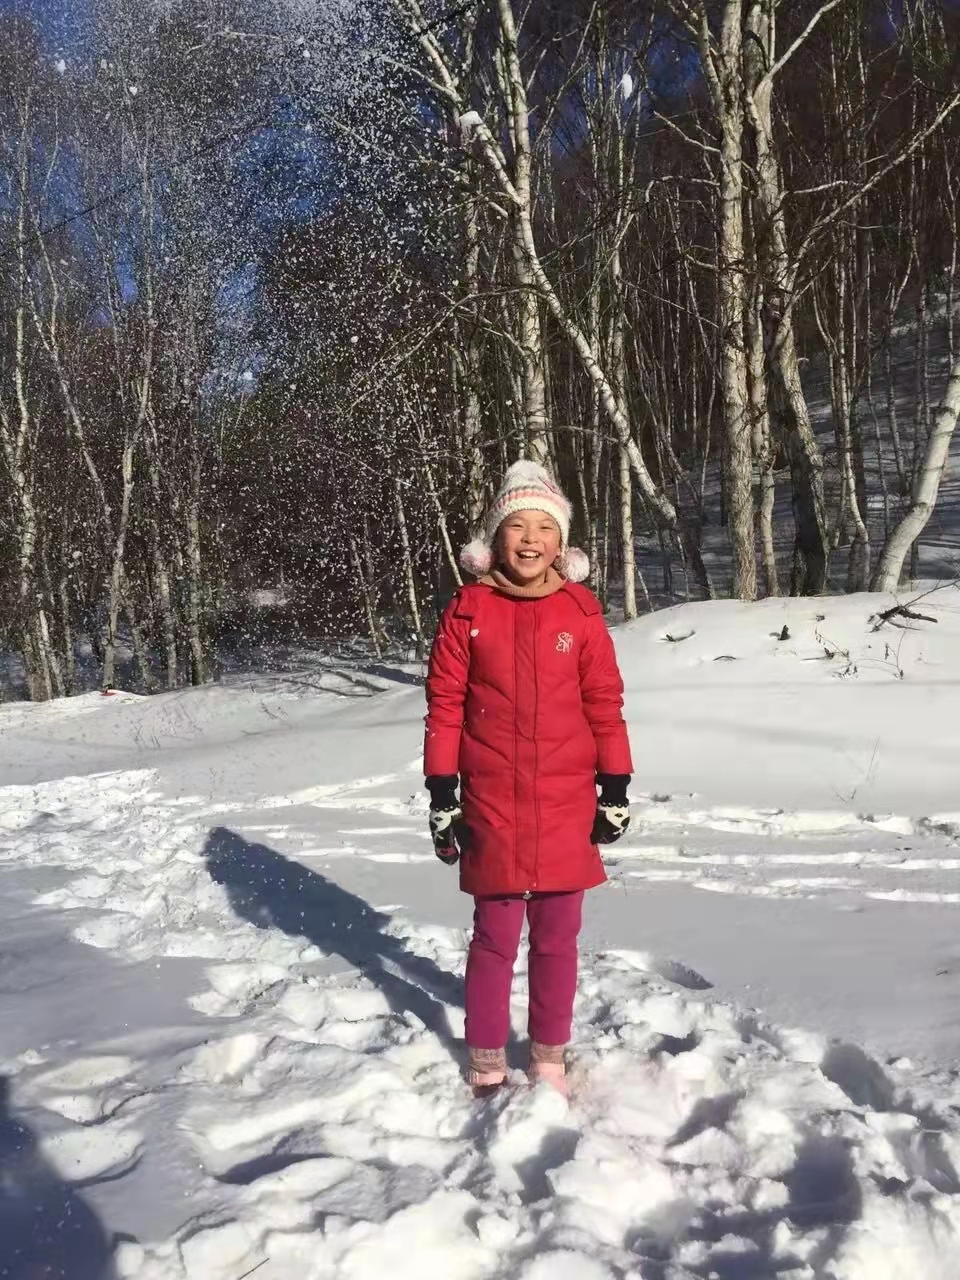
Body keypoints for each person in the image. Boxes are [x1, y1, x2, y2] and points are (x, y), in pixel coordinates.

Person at [423, 460, 633, 1095]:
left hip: (567, 804)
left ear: (561, 543)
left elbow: (604, 705)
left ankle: (548, 1057)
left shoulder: (580, 612)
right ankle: (487, 1059)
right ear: (496, 538)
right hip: (491, 804)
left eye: (545, 527)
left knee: (558, 940)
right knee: (494, 939)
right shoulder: (468, 611)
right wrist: (442, 794)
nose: (531, 538)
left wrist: (615, 787)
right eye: (518, 526)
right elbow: (445, 708)